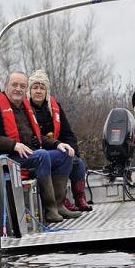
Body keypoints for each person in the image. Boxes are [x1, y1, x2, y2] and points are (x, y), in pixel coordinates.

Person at [0, 70, 81, 223]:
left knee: (65, 154)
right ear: (6, 86)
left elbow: (37, 137)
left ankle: (59, 205)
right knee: (42, 155)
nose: (18, 89)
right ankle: (50, 210)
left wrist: (58, 144)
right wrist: (13, 145)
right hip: (7, 159)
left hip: (28, 155)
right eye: (14, 85)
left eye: (22, 86)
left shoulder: (26, 108)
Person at [27, 69, 92, 212]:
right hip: (37, 151)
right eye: (35, 87)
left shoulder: (55, 108)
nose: (38, 91)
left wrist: (74, 151)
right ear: (29, 90)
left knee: (77, 162)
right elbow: (32, 137)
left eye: (42, 88)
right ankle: (61, 200)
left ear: (47, 91)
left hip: (57, 147)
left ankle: (80, 198)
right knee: (61, 158)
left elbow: (67, 133)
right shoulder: (24, 109)